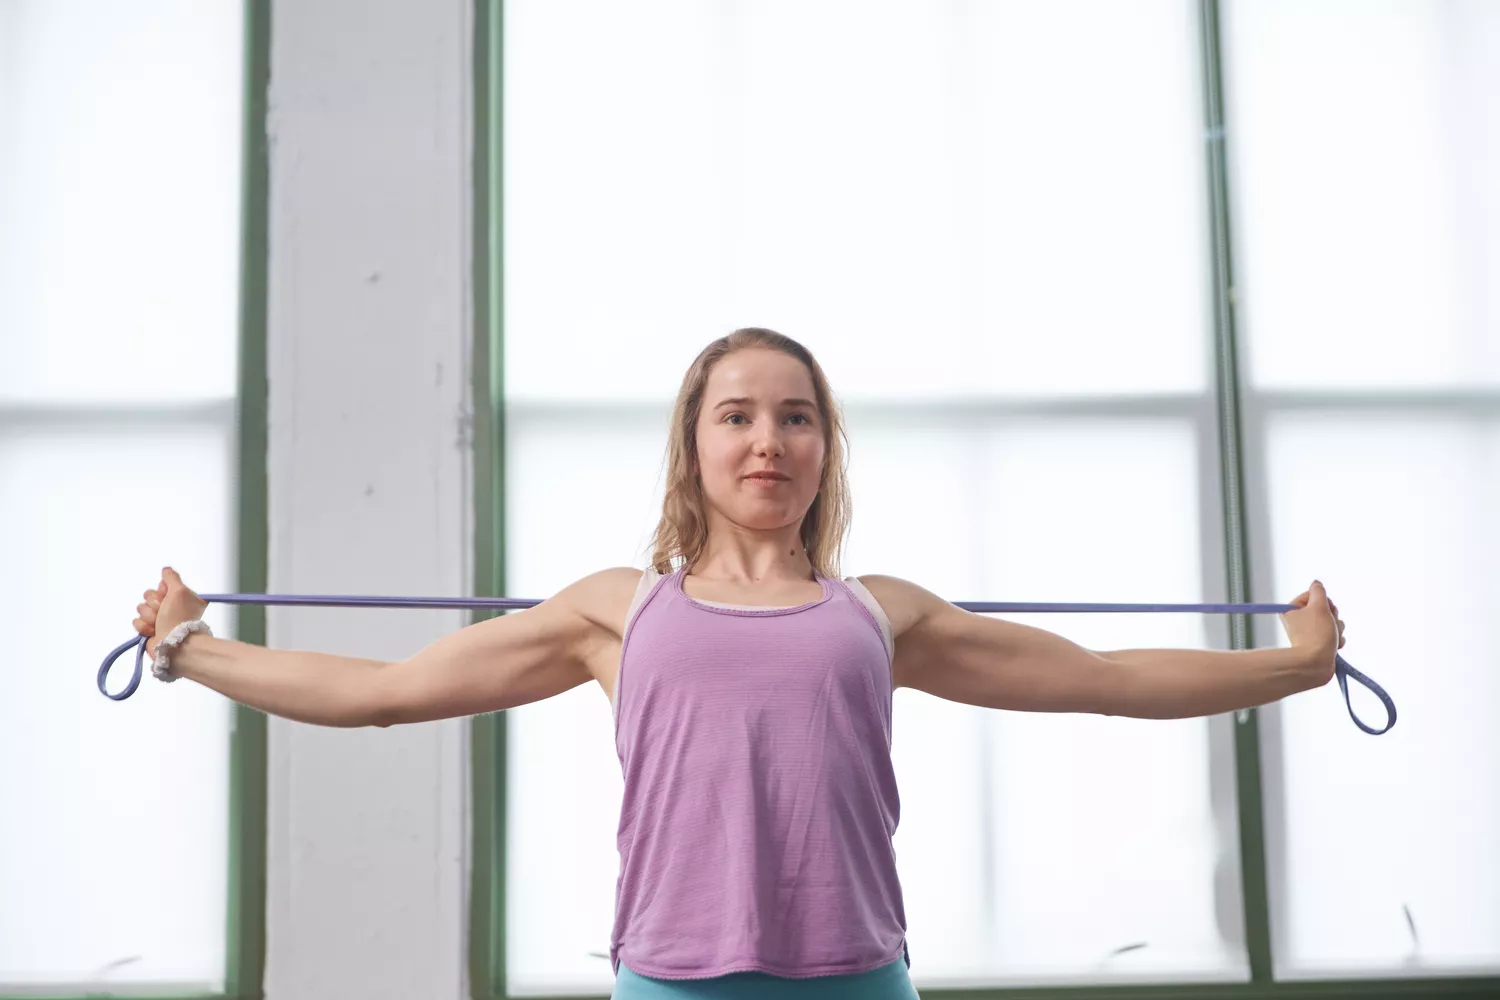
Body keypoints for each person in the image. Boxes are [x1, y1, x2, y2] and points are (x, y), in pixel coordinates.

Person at [131, 327, 1346, 1000]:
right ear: (695, 445)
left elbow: (1105, 679)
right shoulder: (614, 611)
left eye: (796, 415)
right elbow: (382, 697)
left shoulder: (884, 615)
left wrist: (1291, 668)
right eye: (738, 415)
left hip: (858, 983)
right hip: (674, 989)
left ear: (825, 447)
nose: (769, 438)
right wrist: (192, 647)